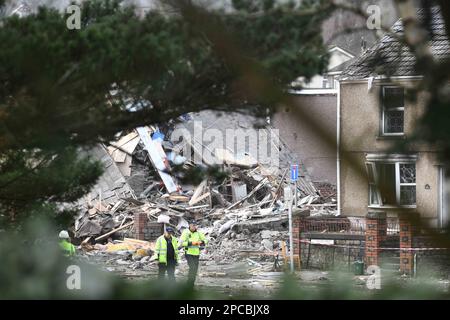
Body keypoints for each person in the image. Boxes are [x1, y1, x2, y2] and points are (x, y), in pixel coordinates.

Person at [180, 221, 208, 288]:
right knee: (192, 267)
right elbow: (181, 243)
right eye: (193, 225)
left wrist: (202, 242)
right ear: (190, 225)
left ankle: (192, 284)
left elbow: (205, 240)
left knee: (195, 269)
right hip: (188, 253)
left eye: (195, 225)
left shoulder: (198, 233)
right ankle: (189, 284)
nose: (194, 227)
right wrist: (191, 243)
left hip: (196, 253)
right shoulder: (186, 232)